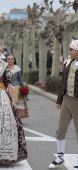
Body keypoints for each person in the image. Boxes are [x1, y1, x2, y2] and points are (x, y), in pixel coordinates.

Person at [48, 40, 78, 169]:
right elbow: (63, 83)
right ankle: (60, 157)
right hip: (66, 99)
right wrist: (59, 100)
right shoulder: (68, 62)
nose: (69, 51)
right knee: (61, 130)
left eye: (71, 49)